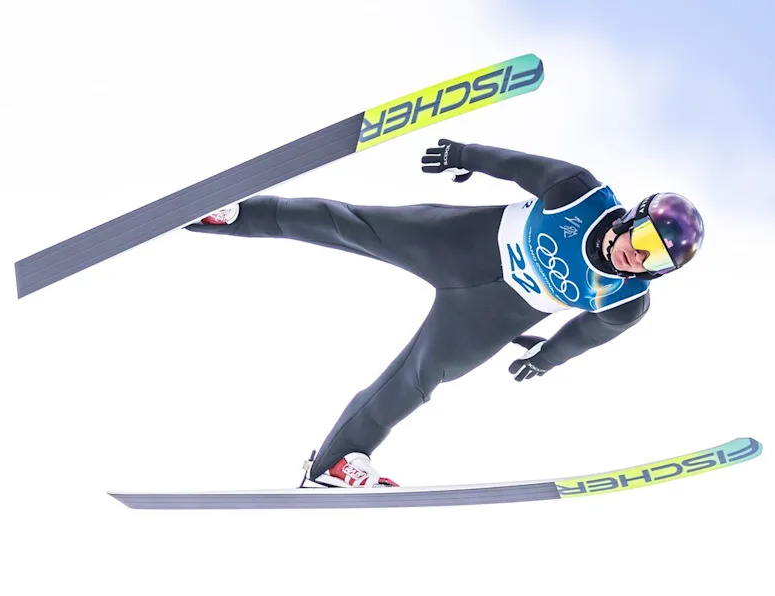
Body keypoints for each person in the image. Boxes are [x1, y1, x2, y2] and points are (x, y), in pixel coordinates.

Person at [187, 140, 705, 488]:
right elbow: (516, 166)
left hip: (493, 312)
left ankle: (336, 463)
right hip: (463, 243)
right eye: (642, 239)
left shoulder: (625, 300)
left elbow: (587, 333)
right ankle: (233, 214)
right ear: (633, 218)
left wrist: (547, 358)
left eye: (655, 259)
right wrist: (462, 154)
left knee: (417, 380)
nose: (637, 256)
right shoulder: (579, 193)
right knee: (349, 224)